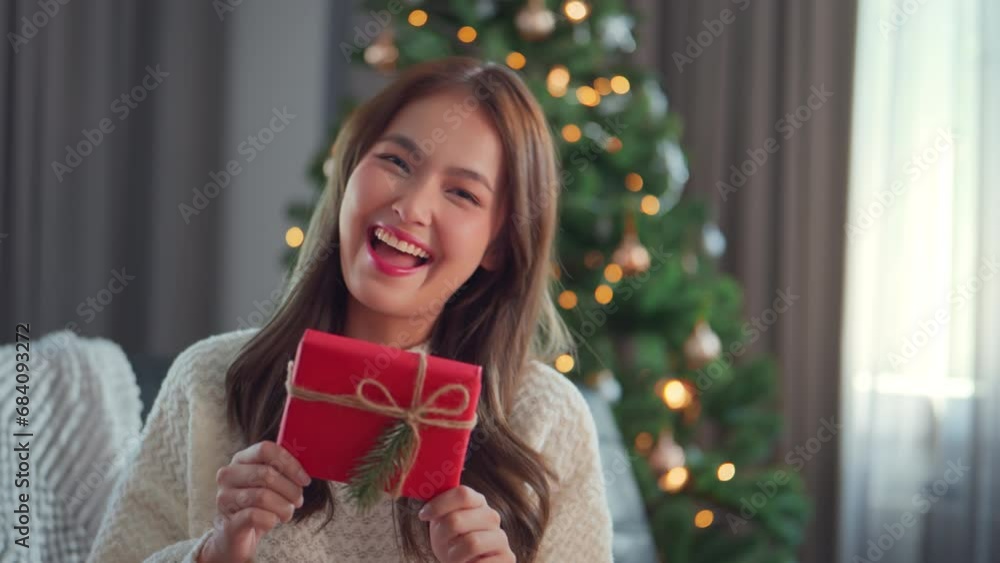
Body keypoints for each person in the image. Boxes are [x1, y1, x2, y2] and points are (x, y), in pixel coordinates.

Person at [88, 56, 613, 563]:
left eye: (461, 193)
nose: (411, 206)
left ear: (499, 243)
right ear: (350, 171)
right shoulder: (209, 381)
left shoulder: (547, 419)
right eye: (396, 162)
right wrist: (213, 554)